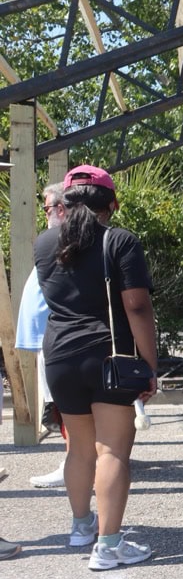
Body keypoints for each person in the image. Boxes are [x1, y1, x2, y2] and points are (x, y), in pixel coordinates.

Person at [35, 165, 159, 569]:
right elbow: (136, 306)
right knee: (112, 451)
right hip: (110, 358)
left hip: (59, 358)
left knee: (78, 448)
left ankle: (80, 527)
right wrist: (150, 364)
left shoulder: (44, 243)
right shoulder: (120, 241)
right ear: (113, 203)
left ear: (66, 202)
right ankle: (108, 546)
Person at [16, 183, 69, 488]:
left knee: (63, 404)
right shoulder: (57, 240)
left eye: (47, 209)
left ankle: (72, 463)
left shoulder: (64, 240)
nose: (45, 214)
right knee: (59, 403)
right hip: (47, 335)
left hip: (55, 335)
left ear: (61, 209)